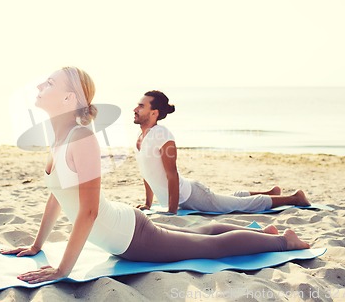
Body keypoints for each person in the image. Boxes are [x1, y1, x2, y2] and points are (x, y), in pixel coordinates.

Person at [0, 67, 310, 284]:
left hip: (131, 238)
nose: (40, 87)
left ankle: (284, 242)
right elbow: (58, 195)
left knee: (209, 248)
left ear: (69, 99)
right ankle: (265, 234)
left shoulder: (82, 139)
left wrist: (63, 270)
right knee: (198, 236)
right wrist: (37, 245)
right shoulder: (58, 138)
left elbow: (90, 211)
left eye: (50, 84)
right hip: (125, 226)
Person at [133, 90, 311, 215]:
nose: (135, 109)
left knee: (240, 205)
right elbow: (147, 173)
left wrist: (172, 211)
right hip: (184, 197)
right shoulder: (141, 138)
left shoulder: (162, 134)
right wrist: (148, 204)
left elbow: (172, 174)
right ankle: (271, 191)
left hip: (190, 196)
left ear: (154, 113)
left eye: (141, 106)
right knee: (227, 199)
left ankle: (295, 198)